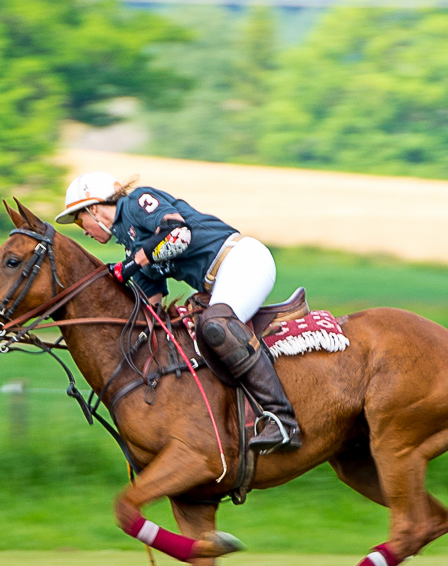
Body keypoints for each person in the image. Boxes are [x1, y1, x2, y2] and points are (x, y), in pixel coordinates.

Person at [56, 173, 300, 452]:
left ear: (94, 208)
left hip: (243, 261)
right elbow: (153, 302)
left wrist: (131, 266)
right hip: (220, 279)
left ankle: (282, 420)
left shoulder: (136, 202)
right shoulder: (129, 243)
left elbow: (178, 234)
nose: (82, 229)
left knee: (216, 325)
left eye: (78, 219)